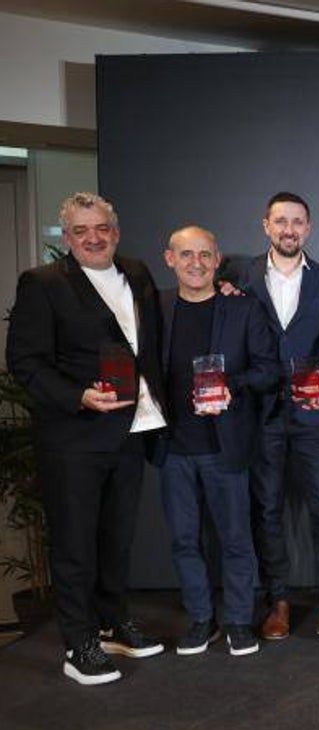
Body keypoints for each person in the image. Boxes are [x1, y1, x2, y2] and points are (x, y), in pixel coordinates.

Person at [7, 192, 168, 685]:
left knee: (116, 539)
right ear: (67, 238)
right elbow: (26, 363)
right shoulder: (42, 284)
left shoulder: (137, 273)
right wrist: (78, 395)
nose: (93, 238)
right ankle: (79, 646)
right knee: (75, 546)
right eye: (81, 231)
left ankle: (113, 623)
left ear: (115, 231)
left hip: (129, 431)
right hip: (74, 437)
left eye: (101, 228)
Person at [154, 226, 278, 656]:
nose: (196, 263)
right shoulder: (157, 307)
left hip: (226, 445)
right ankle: (202, 620)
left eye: (205, 255)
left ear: (217, 258)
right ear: (170, 258)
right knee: (184, 540)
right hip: (173, 449)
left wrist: (233, 387)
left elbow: (269, 370)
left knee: (236, 539)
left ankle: (239, 622)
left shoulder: (243, 309)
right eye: (186, 255)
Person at [229, 192, 319, 640]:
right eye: (281, 221)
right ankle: (277, 600)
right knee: (268, 511)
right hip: (260, 413)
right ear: (266, 226)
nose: (289, 229)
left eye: (297, 222)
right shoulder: (239, 277)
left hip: (313, 413)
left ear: (309, 228)